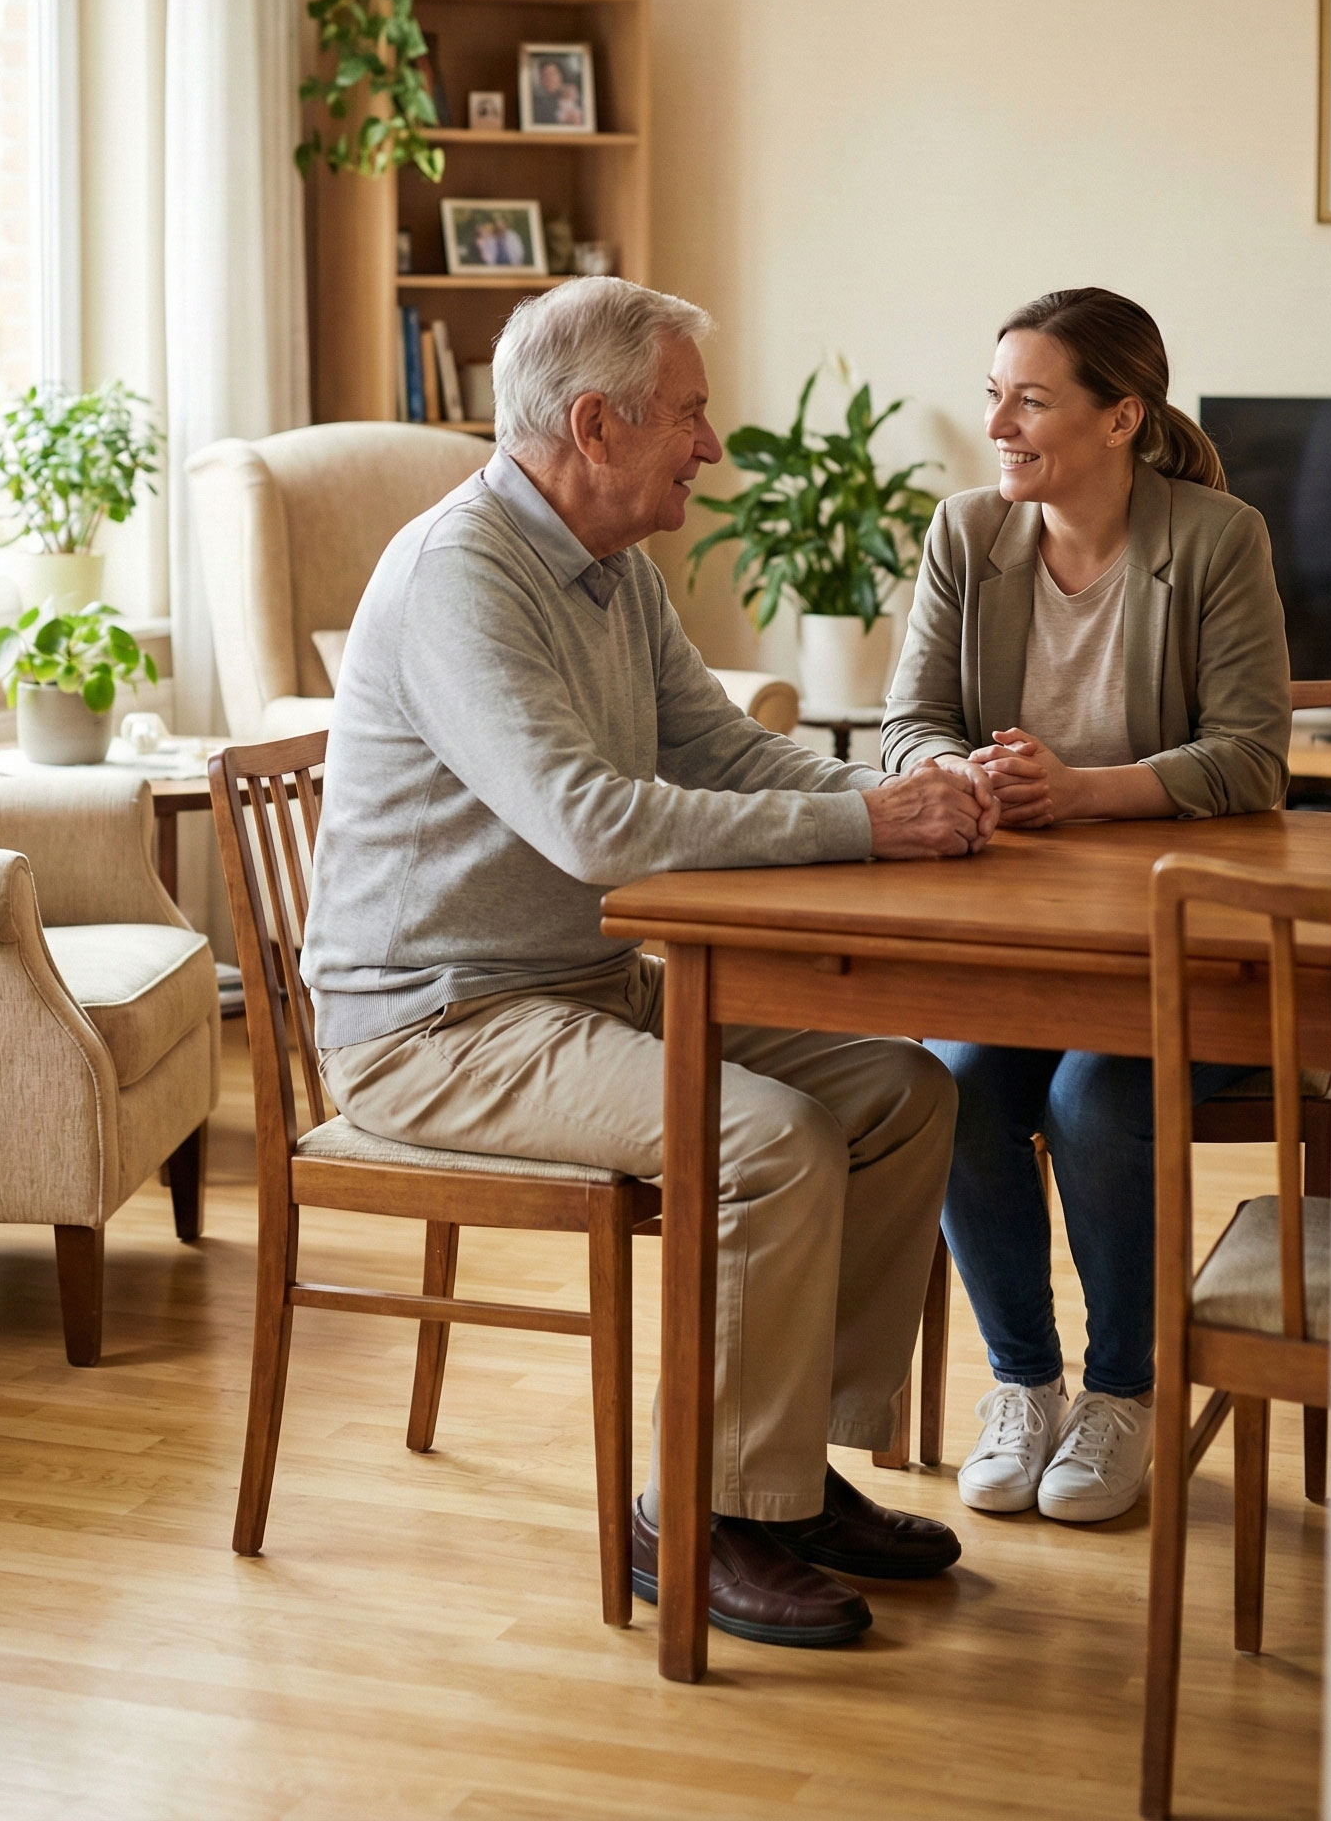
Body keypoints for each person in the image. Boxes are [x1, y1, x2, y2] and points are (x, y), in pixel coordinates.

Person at [302, 277, 999, 1649]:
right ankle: (693, 1511)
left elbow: (722, 749)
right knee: (777, 1139)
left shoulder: (609, 567)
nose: (712, 447)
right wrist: (862, 823)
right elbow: (592, 823)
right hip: (436, 1024)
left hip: (582, 991)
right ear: (597, 422)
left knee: (901, 1095)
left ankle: (783, 1482)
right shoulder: (465, 573)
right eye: (689, 414)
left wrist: (903, 805)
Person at [881, 287, 1290, 1527]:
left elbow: (1253, 758)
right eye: (993, 388)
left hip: (1184, 951)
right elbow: (904, 723)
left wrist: (1083, 790)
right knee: (947, 1086)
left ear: (1121, 417)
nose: (995, 419)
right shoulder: (965, 536)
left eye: (1031, 397)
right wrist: (953, 772)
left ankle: (1123, 1389)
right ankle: (1021, 1383)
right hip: (1018, 937)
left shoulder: (1216, 538)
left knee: (1094, 1094)